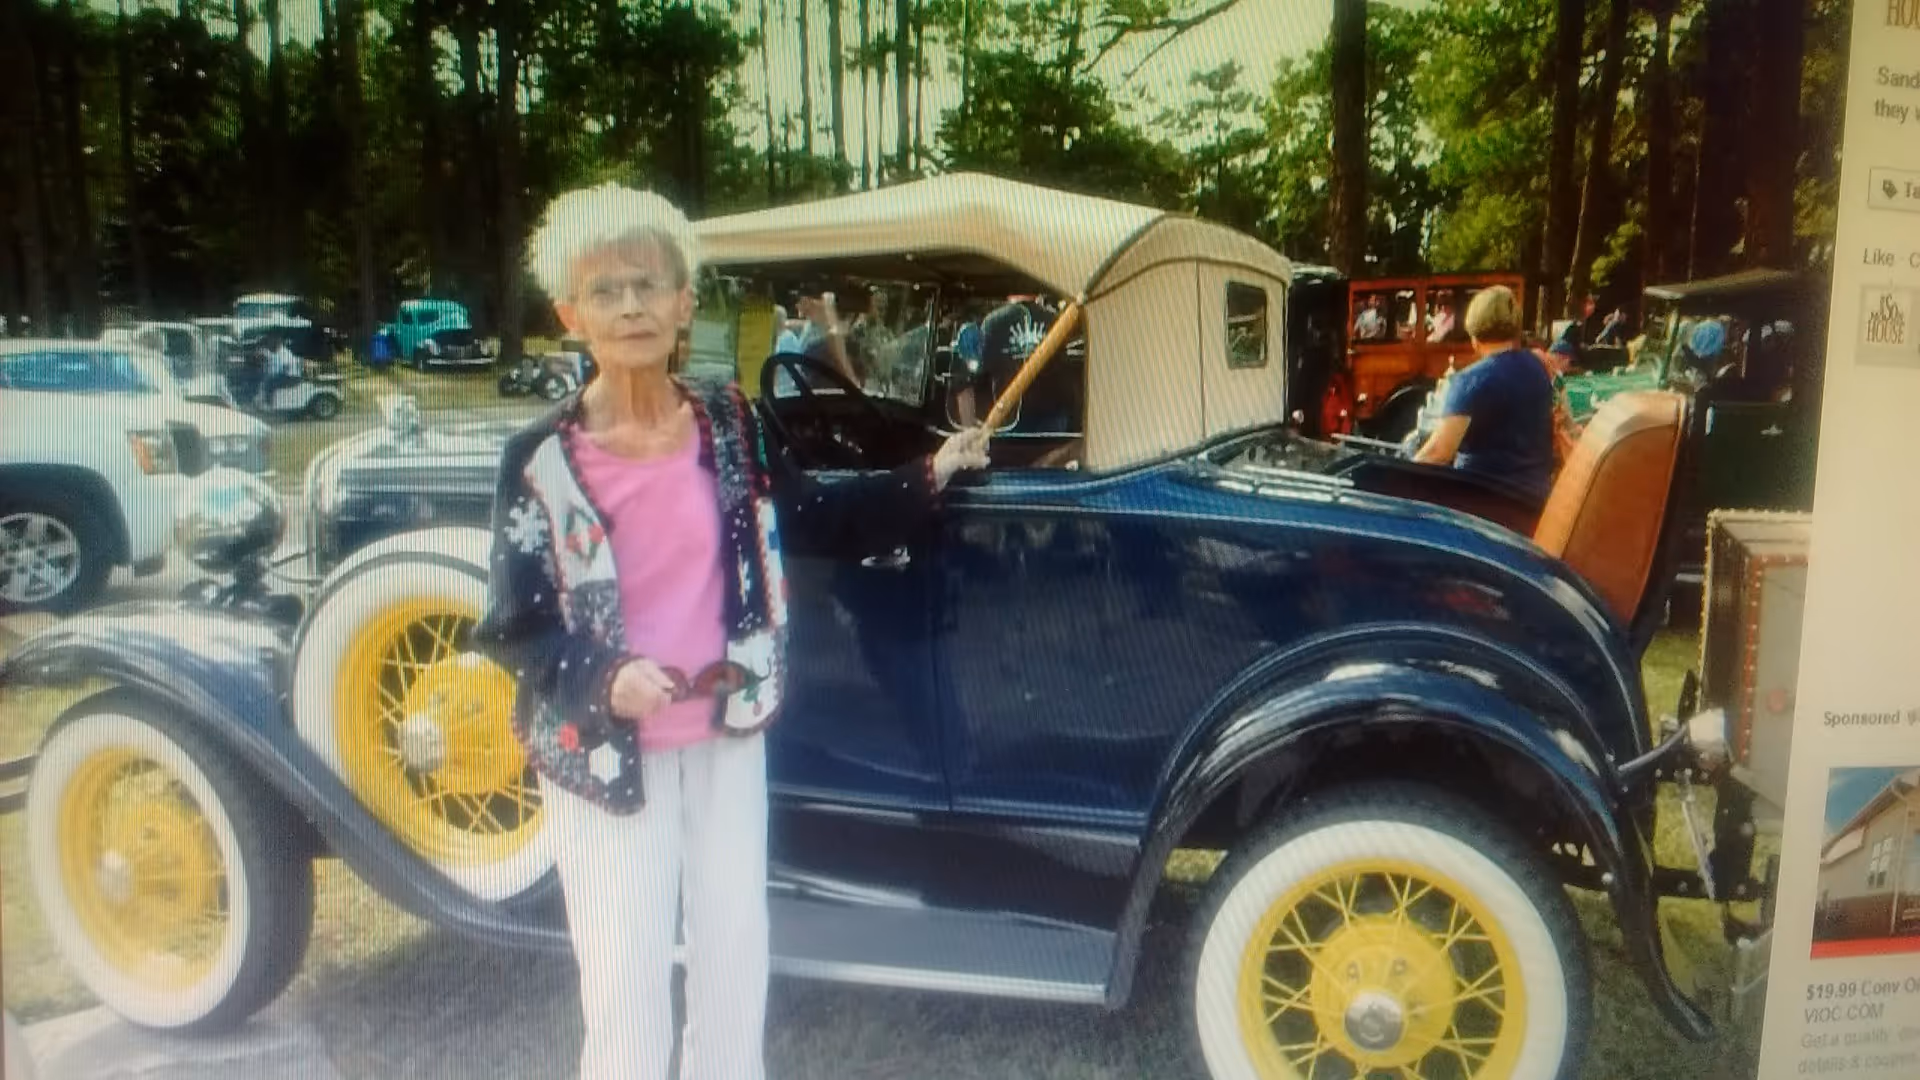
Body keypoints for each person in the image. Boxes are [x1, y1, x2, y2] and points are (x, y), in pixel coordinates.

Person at [471, 182, 990, 1080]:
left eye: (648, 285)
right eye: (605, 290)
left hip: (724, 735)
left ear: (683, 303)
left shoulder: (735, 425)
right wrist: (603, 677)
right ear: (569, 314)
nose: (630, 305)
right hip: (602, 758)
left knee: (732, 964)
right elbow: (514, 627)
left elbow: (815, 516)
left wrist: (930, 474)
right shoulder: (541, 458)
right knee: (627, 992)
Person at [1411, 285, 1557, 504]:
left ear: (1473, 336)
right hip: (1535, 500)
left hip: (1484, 506)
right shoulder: (1538, 368)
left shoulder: (1469, 382)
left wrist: (1396, 481)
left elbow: (1437, 453)